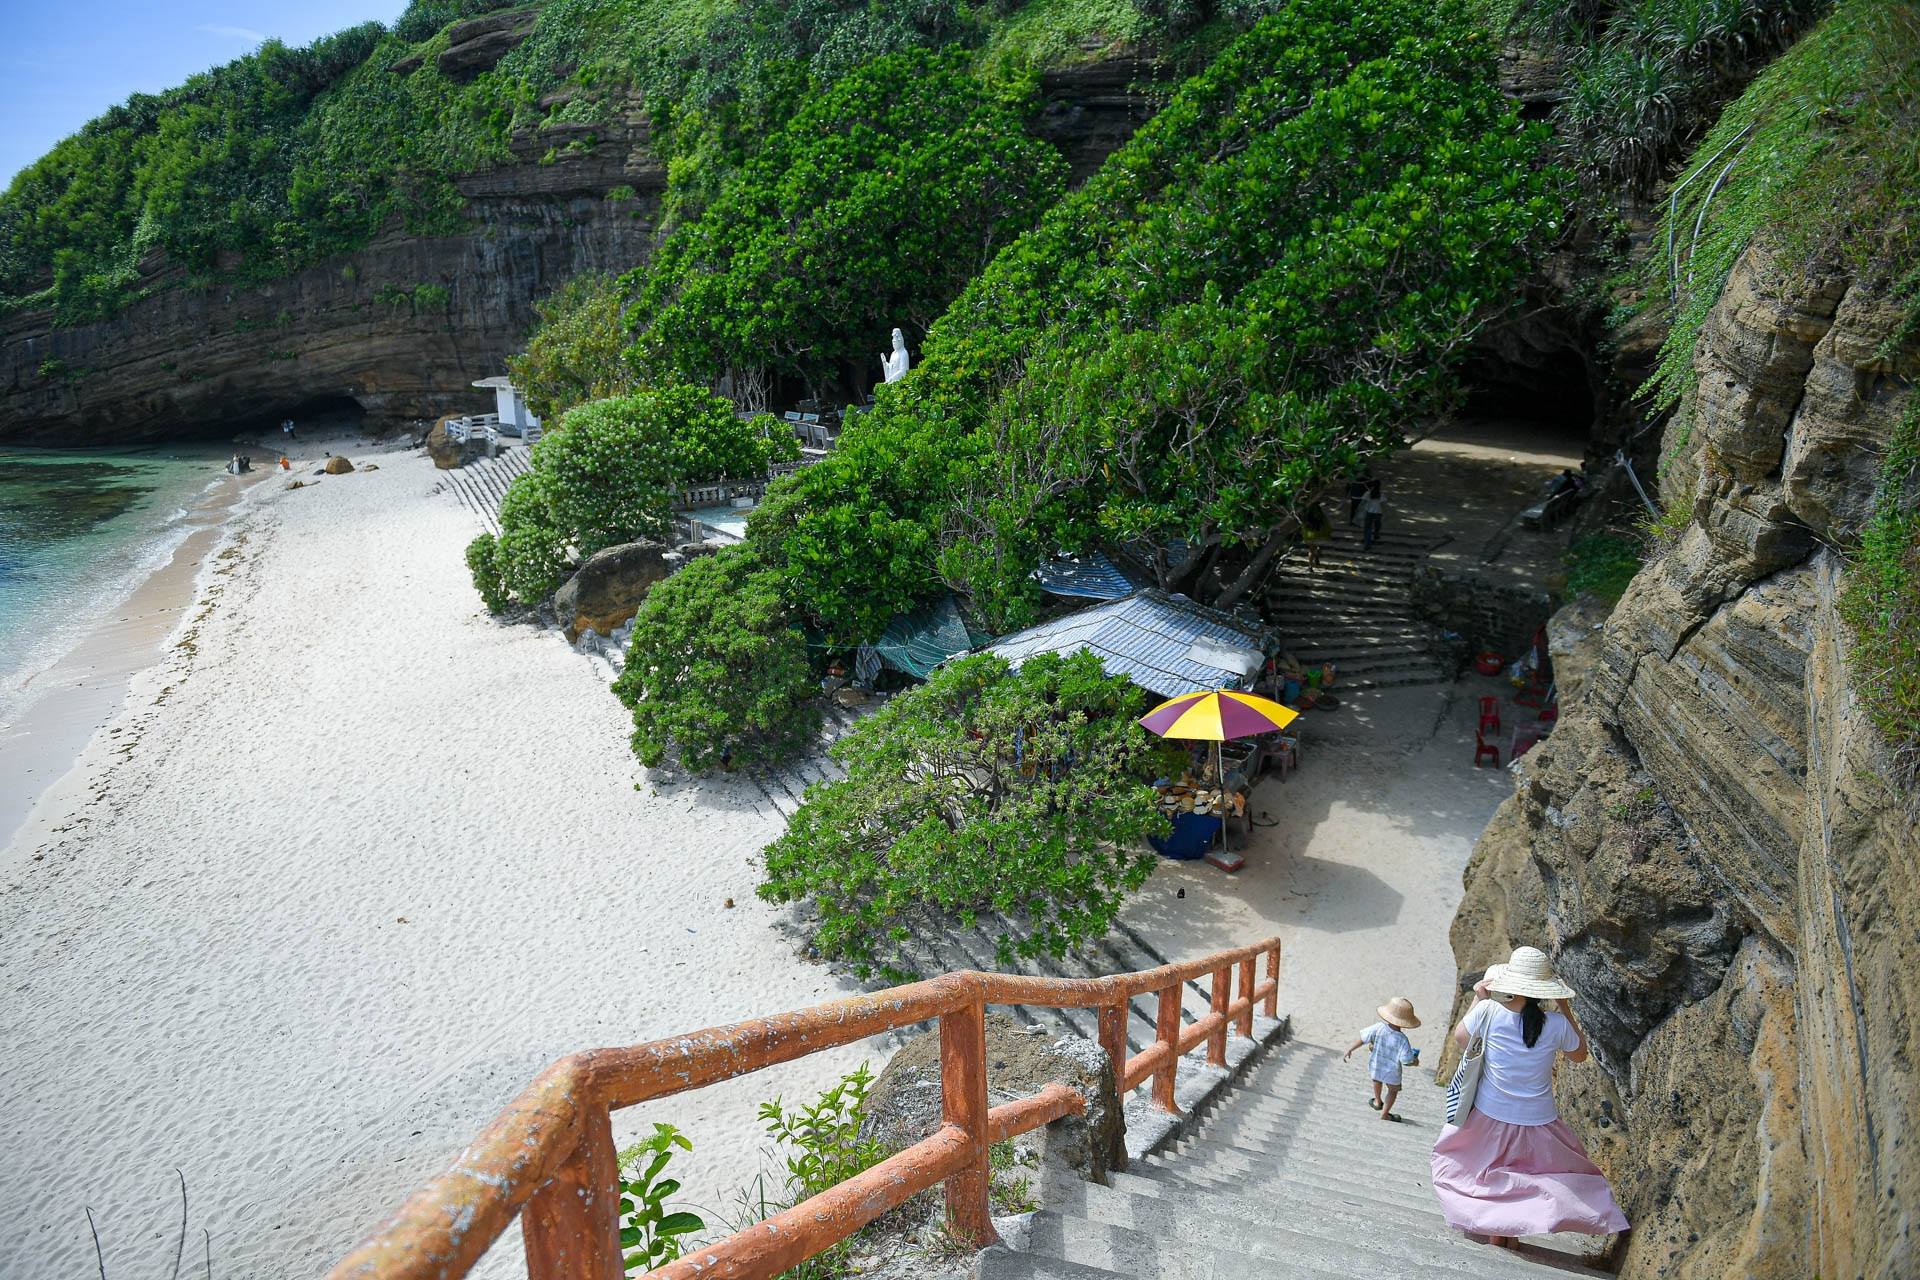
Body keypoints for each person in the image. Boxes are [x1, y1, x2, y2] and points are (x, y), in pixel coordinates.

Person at [1431, 945, 1628, 1250]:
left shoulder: (1489, 1010)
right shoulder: (1556, 1024)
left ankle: (1497, 1227)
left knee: (1484, 1173)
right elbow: (1579, 1054)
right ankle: (1512, 1231)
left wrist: (1478, 998)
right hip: (1538, 1120)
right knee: (1536, 1176)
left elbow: (1461, 1039)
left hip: (1490, 1114)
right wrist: (1565, 1007)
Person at [1345, 996, 1421, 1122]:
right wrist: (1415, 1061)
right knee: (1392, 1091)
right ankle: (1384, 1114)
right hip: (1392, 1072)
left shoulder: (1378, 1027)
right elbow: (1406, 1061)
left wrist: (1350, 1049)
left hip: (1377, 1065)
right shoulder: (1402, 1040)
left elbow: (1363, 1039)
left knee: (1377, 1080)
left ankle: (1377, 1101)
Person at [1301, 501, 1332, 571]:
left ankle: (1310, 567)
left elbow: (1304, 526)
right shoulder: (1320, 515)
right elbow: (1326, 525)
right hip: (1319, 534)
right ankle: (1317, 557)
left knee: (1311, 550)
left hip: (1310, 534)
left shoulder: (1306, 515)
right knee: (1319, 547)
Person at [1362, 479, 1384, 552]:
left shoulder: (1367, 493)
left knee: (1367, 529)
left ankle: (1367, 546)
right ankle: (1376, 534)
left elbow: (1363, 501)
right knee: (1378, 524)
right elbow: (1382, 504)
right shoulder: (1381, 494)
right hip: (1378, 512)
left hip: (1369, 512)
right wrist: (1385, 513)